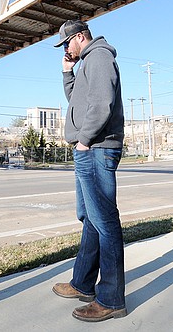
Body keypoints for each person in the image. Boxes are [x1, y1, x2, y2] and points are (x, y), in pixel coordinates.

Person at [51, 20, 127, 322]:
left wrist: (83, 141)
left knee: (105, 222)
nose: (66, 49)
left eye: (67, 43)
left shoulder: (99, 57)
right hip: (89, 148)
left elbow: (102, 104)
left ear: (80, 37)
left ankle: (111, 299)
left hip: (96, 148)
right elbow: (78, 102)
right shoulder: (86, 63)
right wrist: (67, 72)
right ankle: (83, 283)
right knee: (91, 219)